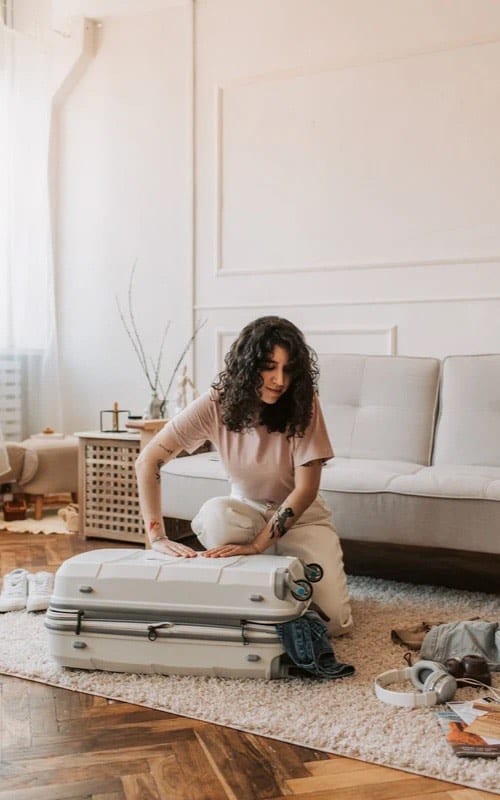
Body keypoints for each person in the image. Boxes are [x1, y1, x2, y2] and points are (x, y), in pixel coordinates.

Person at [135, 316, 352, 637]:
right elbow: (148, 460)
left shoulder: (302, 405)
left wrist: (257, 545)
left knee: (331, 623)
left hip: (303, 518)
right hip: (245, 512)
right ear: (248, 365)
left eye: (288, 369)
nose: (279, 380)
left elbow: (306, 489)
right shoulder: (216, 402)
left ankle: (272, 560)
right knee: (215, 517)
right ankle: (258, 577)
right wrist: (157, 537)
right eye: (269, 367)